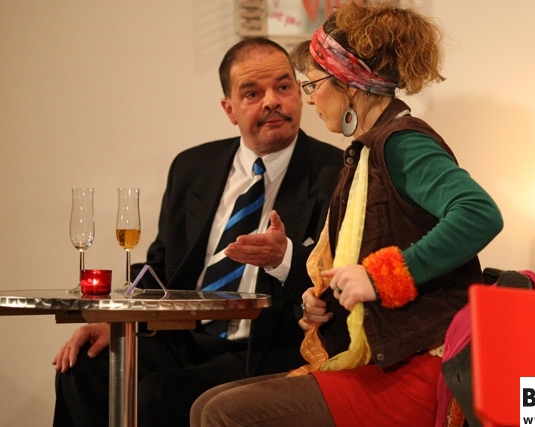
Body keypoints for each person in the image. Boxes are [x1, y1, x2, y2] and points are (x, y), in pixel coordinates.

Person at [190, 3, 504, 427]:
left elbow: (479, 213)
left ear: (349, 84)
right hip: (387, 355)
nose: (310, 98)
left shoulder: (402, 143)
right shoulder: (367, 151)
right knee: (206, 404)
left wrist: (379, 277)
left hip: (417, 365)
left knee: (222, 412)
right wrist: (323, 303)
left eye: (313, 84)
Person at [51, 37, 344, 427]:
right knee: (83, 369)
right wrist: (119, 322)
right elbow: (160, 266)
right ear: (229, 109)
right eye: (252, 93)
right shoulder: (193, 167)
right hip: (184, 337)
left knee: (160, 394)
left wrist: (283, 258)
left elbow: (336, 278)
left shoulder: (336, 173)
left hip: (266, 347)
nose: (272, 101)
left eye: (283, 86)